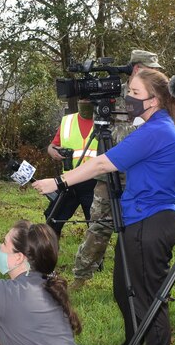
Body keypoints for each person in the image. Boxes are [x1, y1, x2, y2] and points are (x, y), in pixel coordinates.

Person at [34, 68, 175, 345]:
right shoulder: (153, 126)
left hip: (152, 223)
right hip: (139, 220)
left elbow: (103, 162)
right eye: (129, 91)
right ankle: (134, 340)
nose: (128, 99)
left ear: (154, 100)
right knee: (124, 288)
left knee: (148, 297)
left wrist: (59, 182)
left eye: (135, 93)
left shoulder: (157, 130)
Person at [69, 49, 164, 290]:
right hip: (110, 168)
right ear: (135, 68)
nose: (154, 74)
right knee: (100, 225)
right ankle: (81, 277)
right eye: (149, 69)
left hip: (142, 171)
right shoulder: (112, 92)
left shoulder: (157, 97)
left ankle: (140, 275)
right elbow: (86, 114)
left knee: (141, 224)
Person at [44, 101, 98, 239]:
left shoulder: (104, 121)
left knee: (96, 225)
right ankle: (49, 255)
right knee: (52, 219)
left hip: (95, 182)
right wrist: (53, 152)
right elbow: (52, 146)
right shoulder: (68, 121)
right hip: (69, 181)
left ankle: (95, 259)